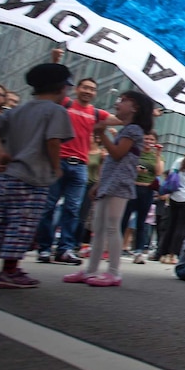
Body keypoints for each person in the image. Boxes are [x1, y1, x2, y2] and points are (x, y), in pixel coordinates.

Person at [0, 64, 75, 288]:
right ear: (62, 88)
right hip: (32, 178)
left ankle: (6, 267)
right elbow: (53, 141)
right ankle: (9, 271)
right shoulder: (56, 111)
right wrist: (56, 167)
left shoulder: (18, 110)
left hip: (7, 177)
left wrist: (0, 151)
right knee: (21, 225)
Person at [63, 90, 155, 287]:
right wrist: (99, 183)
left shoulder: (133, 130)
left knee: (112, 227)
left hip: (120, 184)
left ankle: (113, 272)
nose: (117, 103)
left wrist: (101, 134)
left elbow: (117, 154)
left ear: (135, 108)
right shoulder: (127, 130)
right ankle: (91, 270)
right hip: (111, 182)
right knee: (100, 228)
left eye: (123, 101)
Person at [35, 72, 121, 265]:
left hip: (80, 166)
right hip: (58, 162)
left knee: (72, 210)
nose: (88, 91)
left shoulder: (97, 114)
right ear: (76, 89)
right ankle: (44, 248)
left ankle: (65, 249)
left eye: (92, 89)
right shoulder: (65, 103)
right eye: (85, 88)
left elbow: (121, 119)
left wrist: (148, 113)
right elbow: (50, 85)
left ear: (95, 94)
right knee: (48, 207)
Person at [121, 130, 164, 264]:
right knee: (124, 219)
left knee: (141, 222)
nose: (149, 142)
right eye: (146, 139)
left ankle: (138, 251)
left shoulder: (155, 156)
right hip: (131, 187)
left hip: (147, 190)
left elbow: (158, 171)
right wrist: (136, 169)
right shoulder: (134, 151)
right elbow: (125, 166)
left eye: (152, 140)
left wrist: (157, 154)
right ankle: (116, 248)